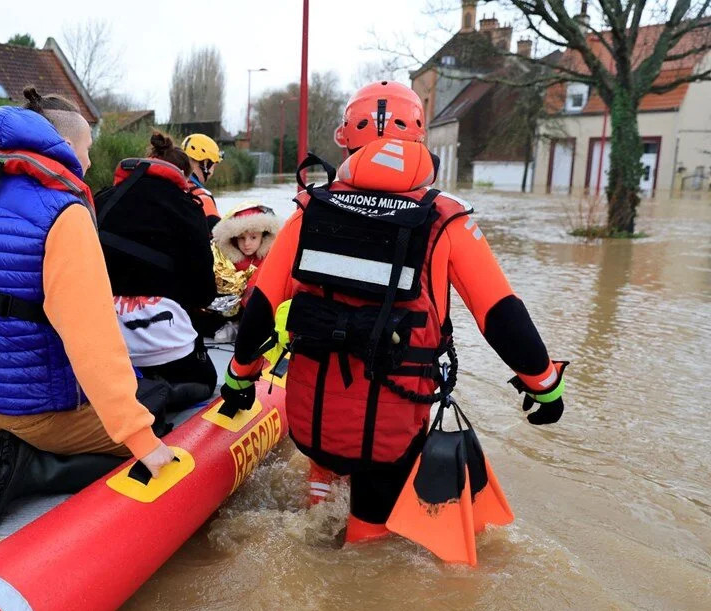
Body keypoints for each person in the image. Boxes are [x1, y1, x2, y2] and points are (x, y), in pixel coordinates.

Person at [218, 80, 569, 544]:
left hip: (312, 417)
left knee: (317, 497)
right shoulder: (445, 217)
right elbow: (501, 314)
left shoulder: (310, 210)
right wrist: (543, 384)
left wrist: (241, 378)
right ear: (419, 136)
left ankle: (317, 500)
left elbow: (261, 304)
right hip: (390, 424)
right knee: (368, 548)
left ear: (346, 138)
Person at [0, 90, 176, 530]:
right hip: (33, 416)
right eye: (85, 150)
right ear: (64, 147)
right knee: (157, 413)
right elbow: (93, 339)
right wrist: (143, 439)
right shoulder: (62, 212)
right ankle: (33, 469)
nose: (86, 163)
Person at [96, 132, 218, 403]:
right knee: (206, 380)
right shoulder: (189, 209)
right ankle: (158, 396)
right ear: (184, 177)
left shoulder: (103, 199)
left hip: (105, 342)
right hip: (163, 343)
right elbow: (204, 293)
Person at [208, 201, 281, 342]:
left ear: (264, 236)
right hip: (228, 312)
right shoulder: (225, 261)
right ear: (234, 238)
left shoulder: (271, 259)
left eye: (253, 237)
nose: (247, 244)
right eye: (241, 238)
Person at [182, 133, 223, 231]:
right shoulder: (202, 198)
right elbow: (221, 237)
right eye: (214, 166)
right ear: (205, 163)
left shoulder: (168, 184)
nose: (212, 172)